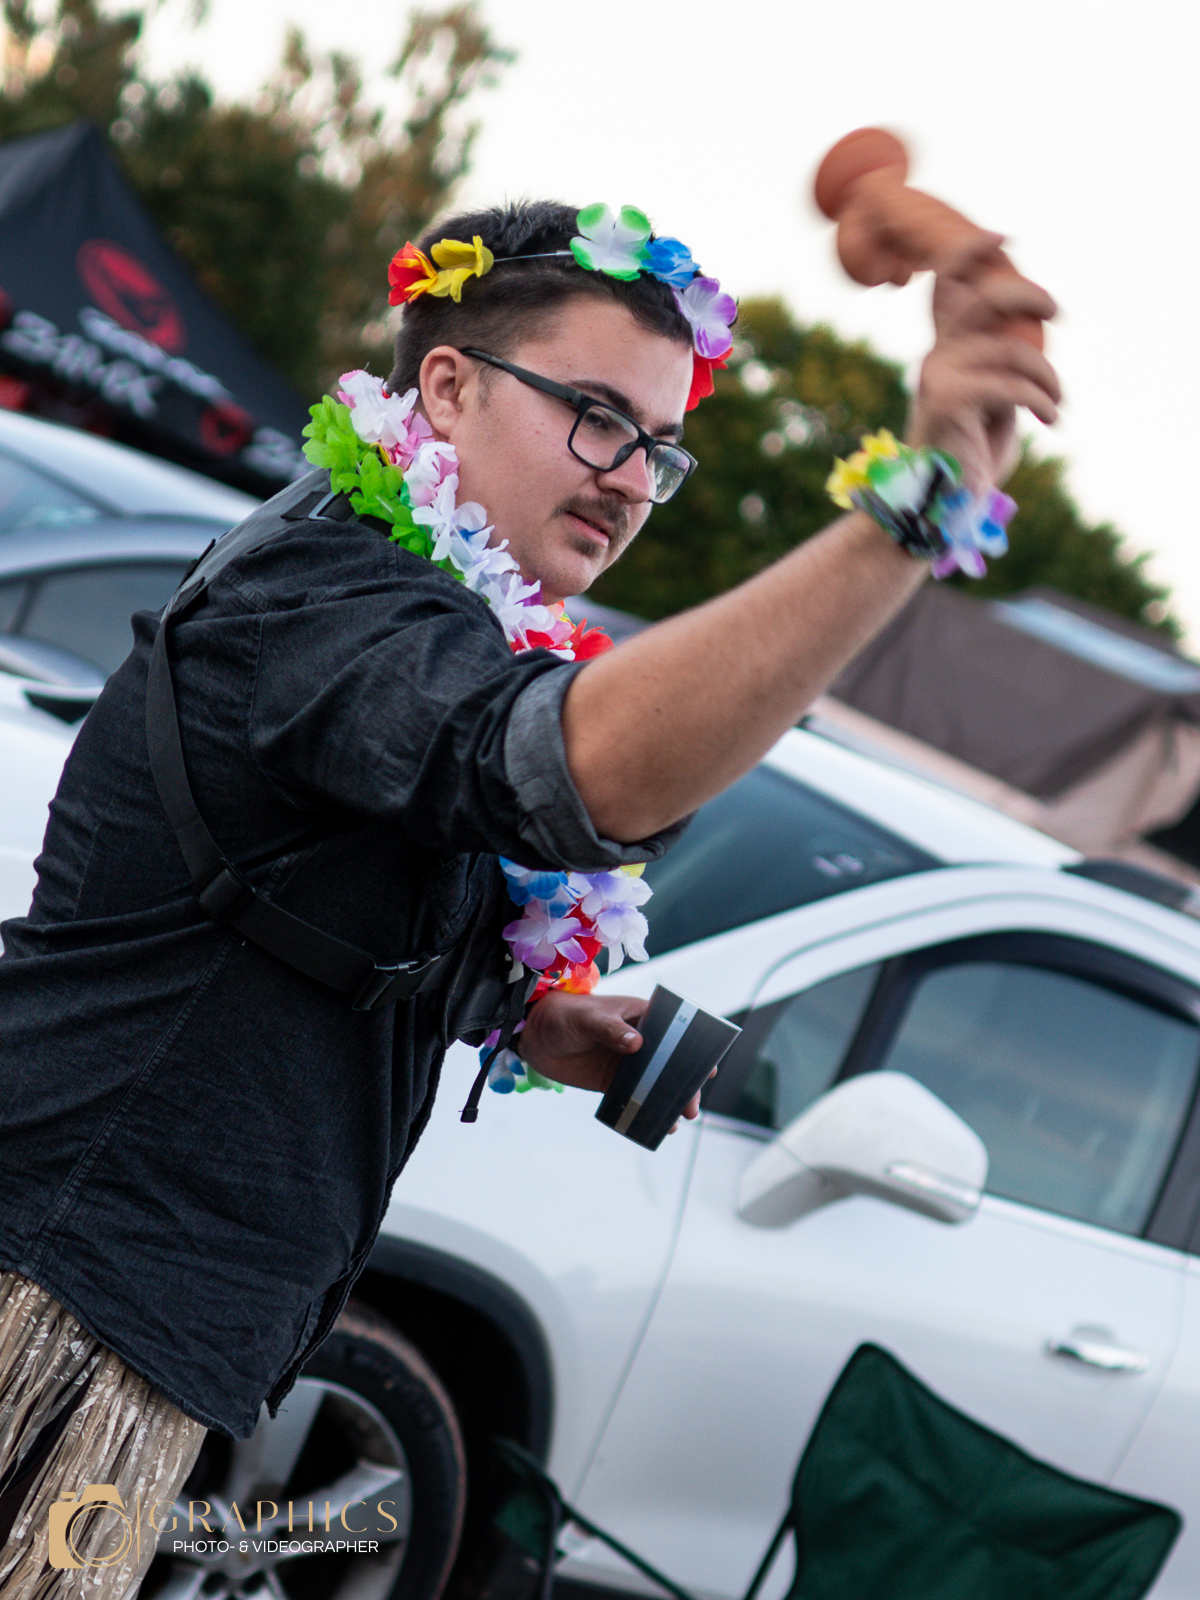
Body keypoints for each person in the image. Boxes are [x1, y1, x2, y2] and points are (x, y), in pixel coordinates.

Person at [0, 197, 1058, 1593]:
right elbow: (570, 766)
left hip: (124, 1310)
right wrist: (907, 515)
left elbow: (300, 908)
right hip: (55, 1286)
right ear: (446, 388)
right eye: (596, 417)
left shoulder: (426, 604)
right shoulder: (332, 589)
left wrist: (521, 1013)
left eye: (657, 447)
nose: (629, 480)